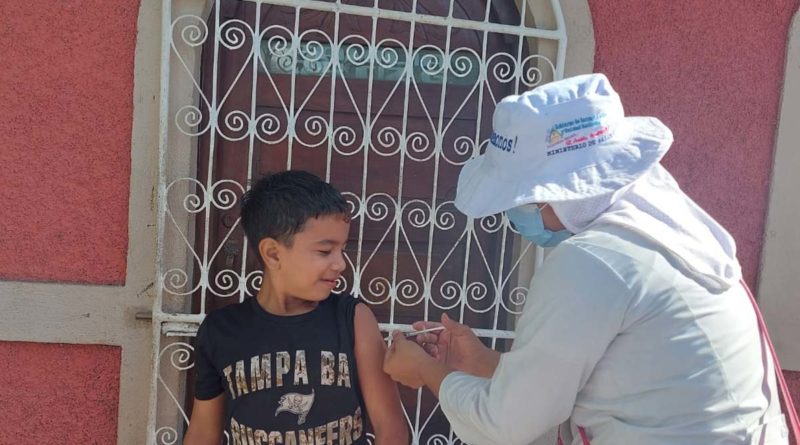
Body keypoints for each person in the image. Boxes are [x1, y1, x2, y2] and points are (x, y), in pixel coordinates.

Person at [383, 73, 789, 444]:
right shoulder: (667, 234)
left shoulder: (595, 261)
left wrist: (427, 372)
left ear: (562, 191)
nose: (516, 216)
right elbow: (610, 378)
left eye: (524, 201)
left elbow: (504, 424)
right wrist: (484, 363)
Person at [184, 171, 408, 445]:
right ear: (273, 254)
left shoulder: (352, 318)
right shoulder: (221, 331)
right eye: (325, 251)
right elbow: (203, 433)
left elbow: (391, 428)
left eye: (342, 249)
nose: (340, 264)